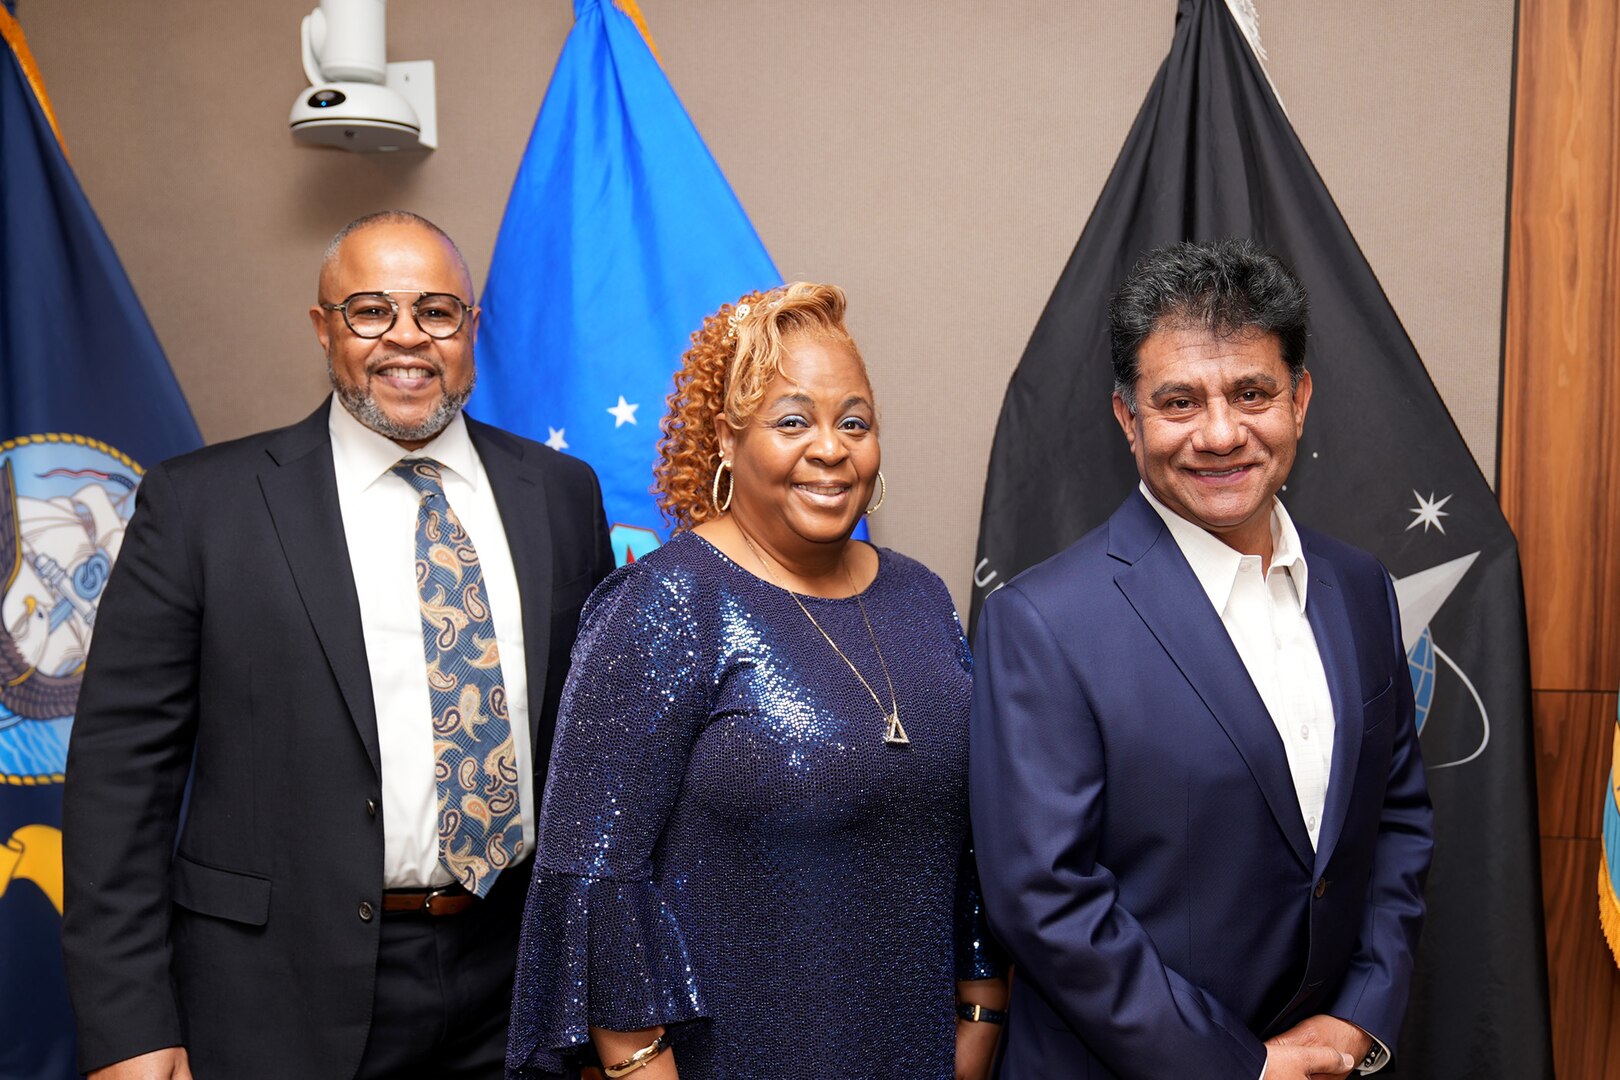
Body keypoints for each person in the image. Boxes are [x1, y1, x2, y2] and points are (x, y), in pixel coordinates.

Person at [61, 210, 614, 1079]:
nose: (407, 339)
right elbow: (120, 782)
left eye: (437, 311)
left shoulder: (558, 494)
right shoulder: (201, 508)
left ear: (471, 330)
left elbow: (597, 755)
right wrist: (129, 1024)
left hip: (516, 983)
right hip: (280, 994)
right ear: (323, 328)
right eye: (369, 311)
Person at [505, 283, 1007, 1080]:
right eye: (793, 420)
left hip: (918, 1053)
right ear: (725, 441)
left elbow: (971, 836)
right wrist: (640, 1067)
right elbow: (596, 878)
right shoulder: (666, 604)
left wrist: (980, 1013)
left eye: (854, 421)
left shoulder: (919, 596)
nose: (832, 449)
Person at [970, 239, 1433, 1080]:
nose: (1221, 434)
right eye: (1179, 401)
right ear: (1128, 417)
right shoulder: (1041, 623)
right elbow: (1044, 899)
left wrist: (1357, 1019)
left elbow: (1398, 818)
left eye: (1252, 393)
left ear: (1300, 399)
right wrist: (1242, 1067)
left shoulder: (1360, 588)